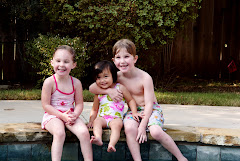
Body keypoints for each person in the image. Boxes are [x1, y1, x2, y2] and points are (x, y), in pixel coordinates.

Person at [89, 39, 188, 161]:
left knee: (156, 132)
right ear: (114, 61)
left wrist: (142, 126)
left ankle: (181, 157)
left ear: (135, 59)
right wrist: (108, 91)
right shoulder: (117, 77)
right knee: (129, 128)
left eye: (126, 56)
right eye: (118, 57)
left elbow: (149, 103)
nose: (123, 61)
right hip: (134, 111)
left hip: (151, 109)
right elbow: (92, 88)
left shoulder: (145, 78)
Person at [41, 45, 93, 161]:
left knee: (84, 132)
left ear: (73, 65)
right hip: (53, 115)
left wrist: (75, 114)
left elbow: (79, 104)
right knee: (60, 133)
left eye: (66, 61)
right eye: (58, 61)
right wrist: (61, 116)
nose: (61, 65)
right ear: (52, 62)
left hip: (70, 116)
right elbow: (46, 105)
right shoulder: (49, 82)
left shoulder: (76, 83)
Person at [87, 60, 142, 153]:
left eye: (106, 76)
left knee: (116, 126)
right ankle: (98, 138)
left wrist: (134, 112)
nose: (102, 80)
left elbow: (130, 100)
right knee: (97, 122)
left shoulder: (120, 88)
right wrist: (91, 120)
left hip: (116, 118)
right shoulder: (99, 92)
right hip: (103, 118)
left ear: (113, 75)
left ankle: (112, 144)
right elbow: (94, 109)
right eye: (98, 77)